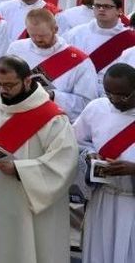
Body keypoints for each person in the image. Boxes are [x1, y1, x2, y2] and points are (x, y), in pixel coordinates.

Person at [0, 54, 78, 262]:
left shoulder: (52, 117)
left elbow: (64, 161)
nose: (3, 90)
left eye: (10, 85)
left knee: (27, 247)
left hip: (30, 198)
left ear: (28, 80)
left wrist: (19, 169)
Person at [75, 62, 135, 263]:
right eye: (109, 93)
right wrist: (89, 155)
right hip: (103, 198)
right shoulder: (96, 108)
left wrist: (133, 169)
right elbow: (75, 141)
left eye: (123, 95)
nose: (115, 100)